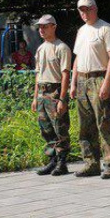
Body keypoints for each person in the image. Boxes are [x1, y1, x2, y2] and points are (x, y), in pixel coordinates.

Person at [70, 0, 110, 179]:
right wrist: (73, 83)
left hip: (99, 77)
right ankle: (90, 163)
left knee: (104, 122)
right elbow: (77, 58)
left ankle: (109, 164)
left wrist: (107, 83)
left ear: (95, 9)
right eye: (81, 10)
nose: (85, 13)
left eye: (88, 9)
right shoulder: (81, 31)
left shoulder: (106, 28)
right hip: (82, 79)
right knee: (85, 125)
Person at [31, 15, 72, 176]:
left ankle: (62, 162)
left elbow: (65, 75)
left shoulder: (61, 47)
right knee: (46, 128)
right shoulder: (40, 48)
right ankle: (52, 160)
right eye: (39, 27)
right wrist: (35, 98)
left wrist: (62, 98)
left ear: (53, 27)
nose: (41, 29)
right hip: (42, 91)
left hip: (55, 90)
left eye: (45, 26)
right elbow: (37, 75)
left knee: (60, 127)